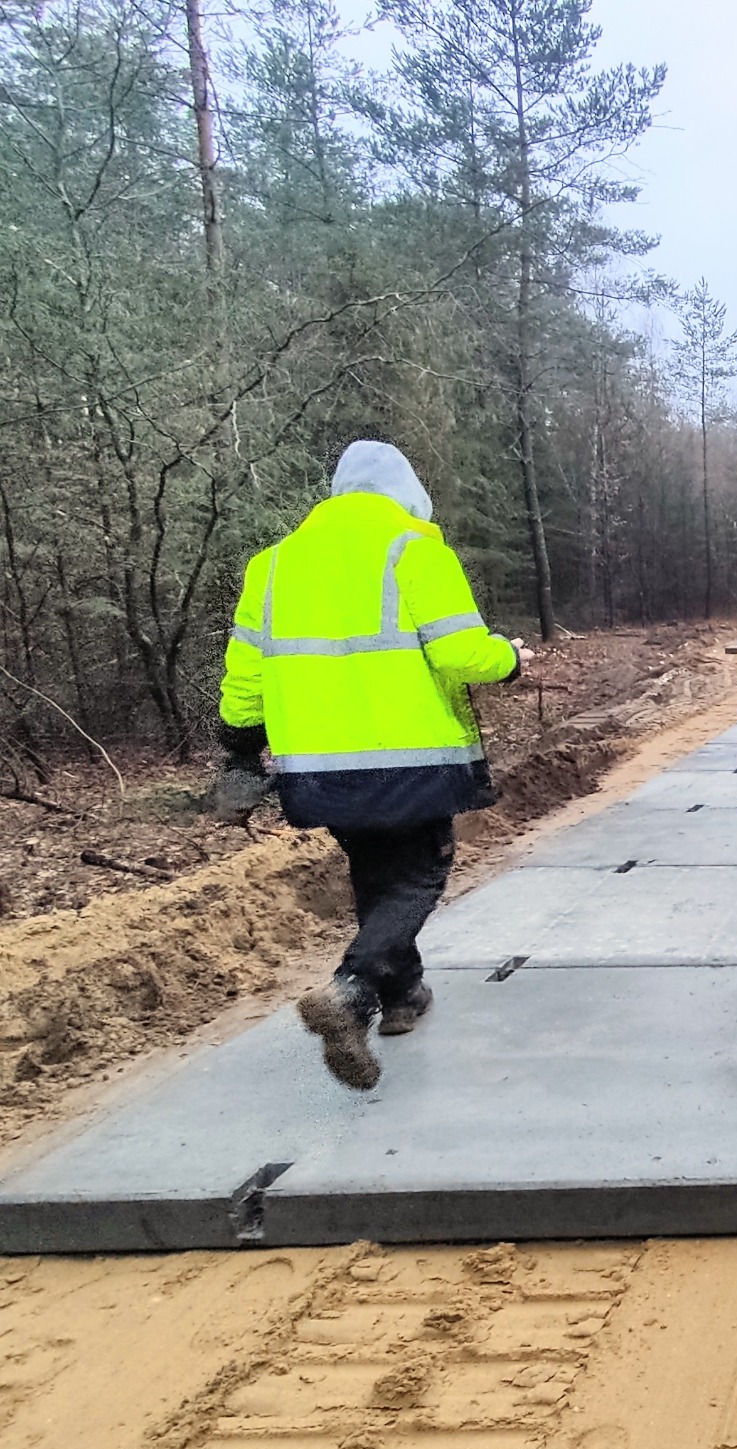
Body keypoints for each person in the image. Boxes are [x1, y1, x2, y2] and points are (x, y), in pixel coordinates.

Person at [216, 441, 531, 1090]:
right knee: (421, 870)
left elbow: (245, 678)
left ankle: (402, 995)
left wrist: (239, 743)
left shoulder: (272, 566)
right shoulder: (414, 550)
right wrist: (513, 657)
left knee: (374, 872)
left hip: (315, 767)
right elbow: (462, 655)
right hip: (408, 758)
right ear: (407, 494)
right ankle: (354, 991)